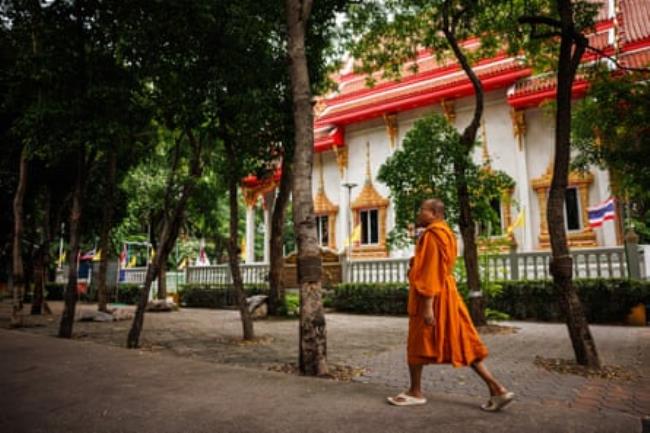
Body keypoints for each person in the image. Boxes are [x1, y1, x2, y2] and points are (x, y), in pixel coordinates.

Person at [387, 198, 514, 412]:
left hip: (432, 296)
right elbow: (434, 265)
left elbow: (431, 271)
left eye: (422, 209)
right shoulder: (446, 233)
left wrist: (428, 305)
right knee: (462, 341)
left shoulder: (432, 235)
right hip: (448, 294)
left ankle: (415, 392)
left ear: (435, 213)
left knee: (418, 341)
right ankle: (497, 389)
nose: (419, 213)